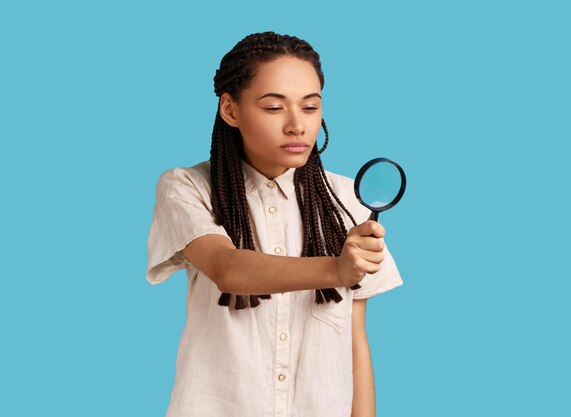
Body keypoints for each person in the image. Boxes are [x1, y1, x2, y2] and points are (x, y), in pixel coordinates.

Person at [146, 31, 403, 417]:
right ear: (230, 110)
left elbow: (355, 341)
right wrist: (335, 269)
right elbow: (227, 268)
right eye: (273, 107)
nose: (297, 125)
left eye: (311, 107)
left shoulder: (347, 201)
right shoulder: (186, 188)